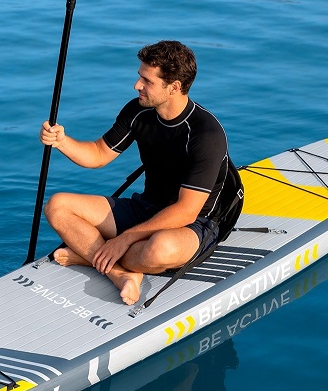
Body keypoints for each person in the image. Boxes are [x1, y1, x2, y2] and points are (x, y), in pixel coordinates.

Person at [39, 40, 243, 305]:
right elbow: (98, 154)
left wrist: (126, 238)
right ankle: (118, 273)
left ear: (174, 87)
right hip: (147, 207)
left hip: (194, 223)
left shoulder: (206, 134)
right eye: (140, 77)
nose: (137, 85)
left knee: (159, 250)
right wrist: (61, 141)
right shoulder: (138, 111)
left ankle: (89, 255)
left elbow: (186, 211)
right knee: (58, 206)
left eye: (147, 81)